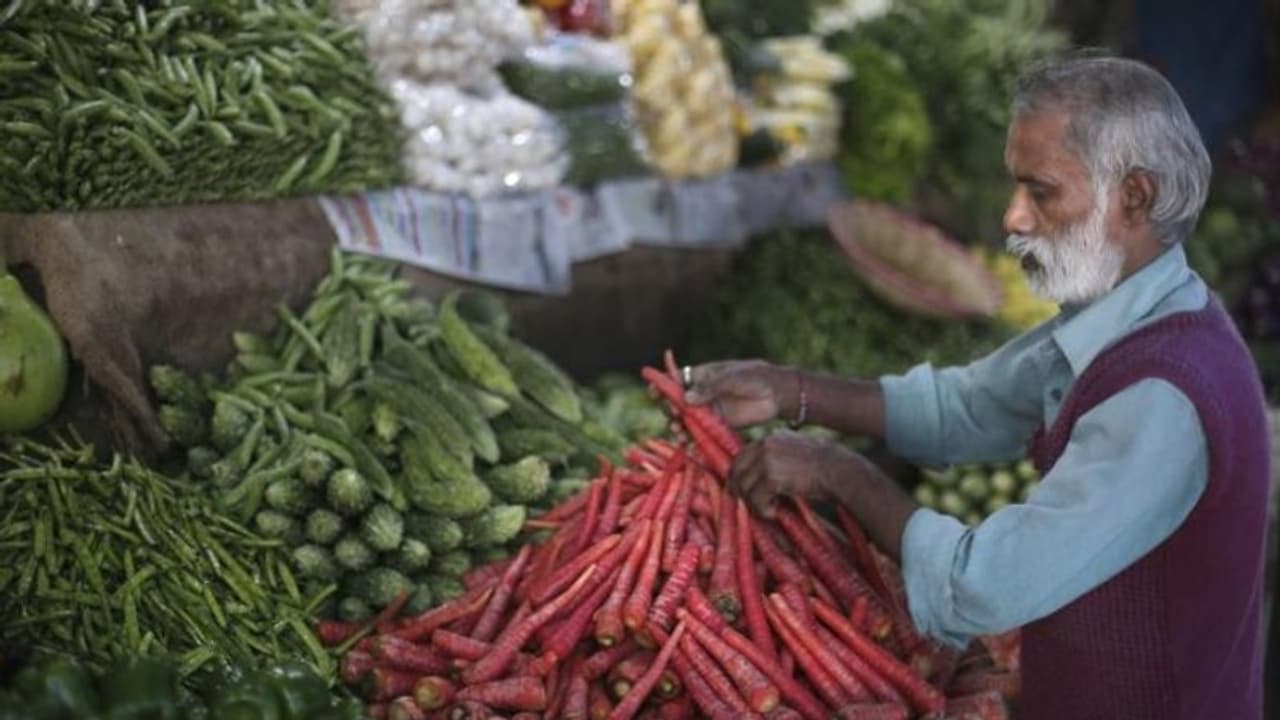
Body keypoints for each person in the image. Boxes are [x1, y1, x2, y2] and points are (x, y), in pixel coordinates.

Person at [684, 54, 1269, 719]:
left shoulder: (1165, 391)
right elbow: (967, 406)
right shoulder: (1120, 319)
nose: (1014, 217)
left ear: (1133, 197)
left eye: (1041, 191)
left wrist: (836, 471)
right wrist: (791, 390)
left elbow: (986, 586)